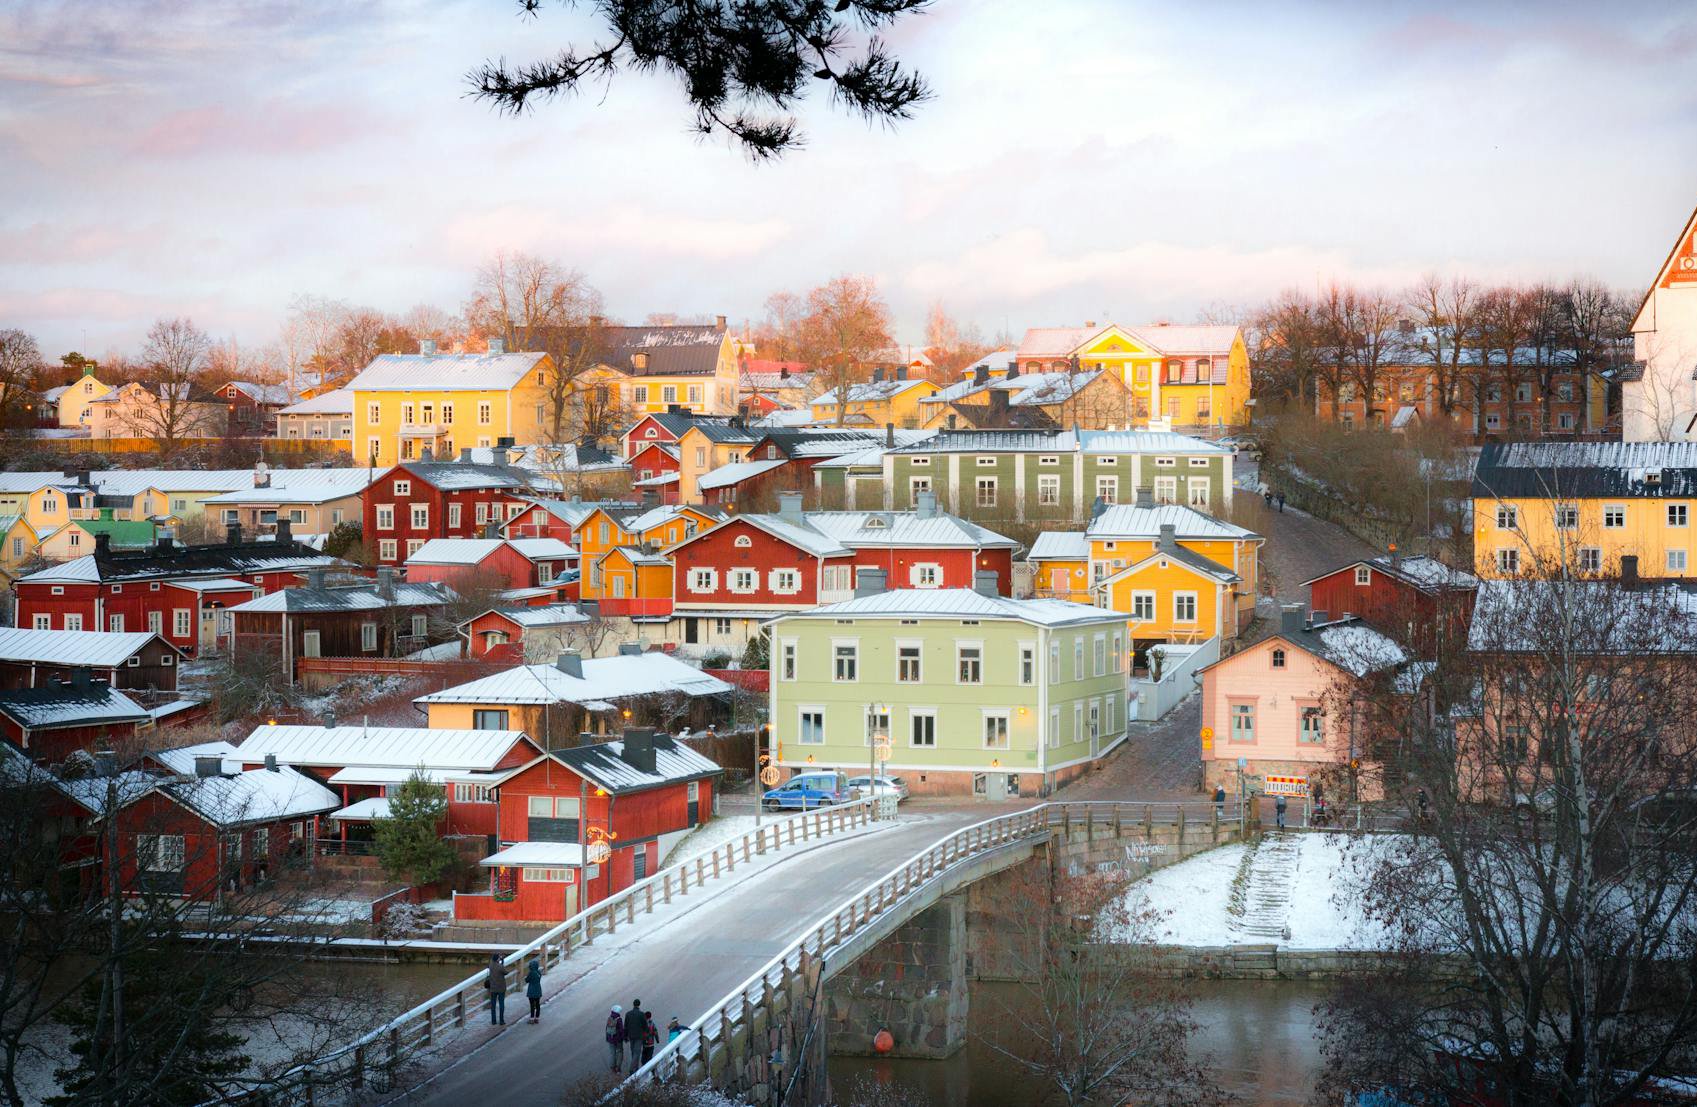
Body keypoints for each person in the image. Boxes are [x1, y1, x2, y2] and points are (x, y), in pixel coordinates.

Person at [624, 1000, 650, 1069]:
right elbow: (645, 1026)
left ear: (633, 1004)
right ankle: (632, 1069)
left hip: (631, 1036)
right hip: (639, 1036)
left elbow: (625, 1026)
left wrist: (625, 1036)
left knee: (633, 1052)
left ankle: (636, 1069)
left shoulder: (628, 1014)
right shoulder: (641, 1014)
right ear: (639, 1005)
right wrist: (647, 1034)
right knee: (637, 1053)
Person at [485, 953, 507, 1026]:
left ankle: (493, 1021)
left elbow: (492, 963)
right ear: (497, 959)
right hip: (501, 988)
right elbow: (506, 972)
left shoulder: (490, 965)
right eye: (499, 957)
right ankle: (501, 1021)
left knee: (493, 1005)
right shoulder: (500, 966)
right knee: (501, 1004)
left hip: (493, 988)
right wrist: (502, 961)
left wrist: (499, 960)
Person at [605, 1005, 626, 1072]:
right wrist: (623, 1038)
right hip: (618, 1040)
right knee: (619, 1052)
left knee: (612, 1053)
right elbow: (621, 1030)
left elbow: (606, 1029)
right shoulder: (619, 1019)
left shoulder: (609, 1018)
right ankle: (618, 1067)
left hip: (610, 1039)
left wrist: (607, 1038)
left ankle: (612, 1067)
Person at [524, 958, 542, 1024]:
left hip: (531, 991)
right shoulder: (539, 972)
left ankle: (531, 1019)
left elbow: (526, 980)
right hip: (538, 990)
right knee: (537, 1005)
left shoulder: (531, 973)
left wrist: (526, 977)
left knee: (532, 1005)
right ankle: (537, 1018)